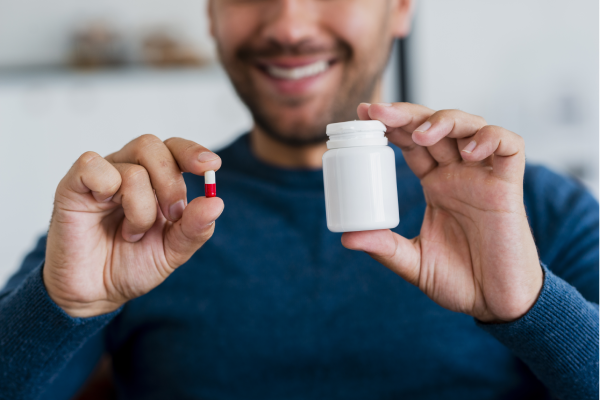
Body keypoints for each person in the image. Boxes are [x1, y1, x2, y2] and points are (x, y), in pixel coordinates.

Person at [0, 0, 597, 399]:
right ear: (211, 14)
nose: (288, 25)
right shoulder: (137, 217)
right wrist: (62, 308)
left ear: (401, 7)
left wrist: (533, 307)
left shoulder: (533, 210)